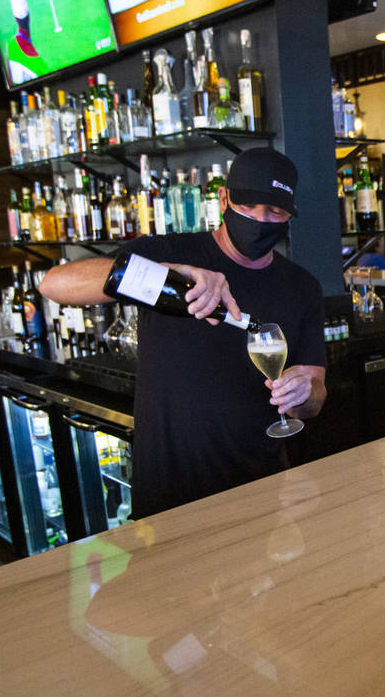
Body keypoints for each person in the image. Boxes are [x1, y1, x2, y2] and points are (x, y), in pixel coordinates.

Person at [39, 148, 328, 518]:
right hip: (168, 492)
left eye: (275, 212)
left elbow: (315, 397)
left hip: (261, 488)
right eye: (248, 206)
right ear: (224, 198)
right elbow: (54, 284)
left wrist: (304, 392)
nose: (260, 219)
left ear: (290, 213)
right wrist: (167, 274)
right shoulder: (167, 252)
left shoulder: (301, 287)